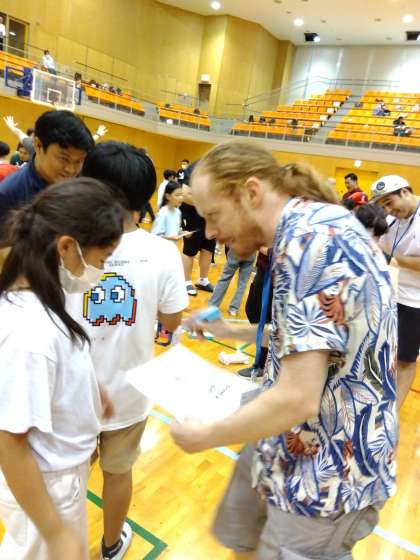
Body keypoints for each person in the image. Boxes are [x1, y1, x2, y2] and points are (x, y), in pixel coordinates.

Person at [170, 141, 397, 560]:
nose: (211, 233)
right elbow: (314, 339)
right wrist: (233, 331)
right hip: (293, 445)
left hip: (328, 472)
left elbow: (297, 397)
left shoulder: (310, 243)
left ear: (251, 193)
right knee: (240, 535)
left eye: (213, 215)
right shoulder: (309, 227)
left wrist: (205, 436)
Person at [72, 141, 188, 560]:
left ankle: (59, 545)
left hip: (71, 391)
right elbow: (171, 321)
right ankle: (110, 546)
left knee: (69, 477)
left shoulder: (66, 244)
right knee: (118, 474)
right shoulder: (161, 252)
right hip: (129, 391)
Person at [0, 178, 125, 559]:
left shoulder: (43, 296)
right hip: (46, 485)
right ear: (67, 247)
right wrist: (54, 531)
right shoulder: (32, 333)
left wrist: (90, 388)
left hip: (56, 477)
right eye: (102, 260)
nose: (101, 270)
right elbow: (9, 442)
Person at [0, 110, 94, 239]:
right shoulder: (9, 194)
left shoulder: (81, 183)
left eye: (79, 161)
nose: (71, 170)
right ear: (38, 145)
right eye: (64, 159)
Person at [371, 174, 420, 408]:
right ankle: (378, 403)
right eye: (384, 206)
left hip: (415, 301)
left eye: (390, 203)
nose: (389, 210)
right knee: (381, 352)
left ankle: (392, 414)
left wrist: (394, 259)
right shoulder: (391, 219)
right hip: (390, 295)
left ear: (405, 192)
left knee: (405, 360)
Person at [180, 163, 215, 296]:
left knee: (208, 248)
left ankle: (203, 280)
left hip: (210, 215)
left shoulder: (219, 171)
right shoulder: (195, 168)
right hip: (192, 214)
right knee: (190, 249)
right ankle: (186, 281)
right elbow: (185, 194)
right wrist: (205, 204)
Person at [208, 248, 255, 317]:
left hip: (236, 250)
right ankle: (234, 309)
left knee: (225, 278)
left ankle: (213, 305)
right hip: (251, 253)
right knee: (243, 283)